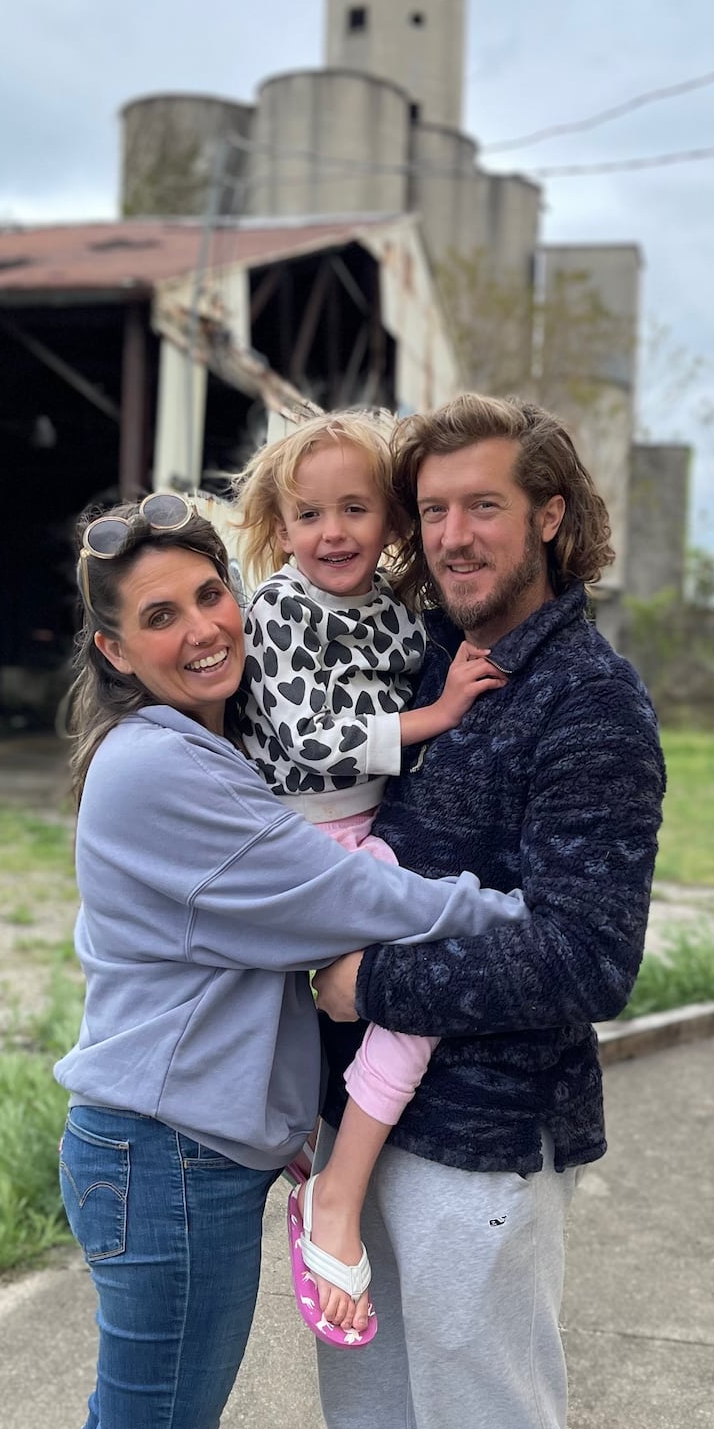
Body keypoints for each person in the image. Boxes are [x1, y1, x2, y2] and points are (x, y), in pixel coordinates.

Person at [33, 490, 529, 1429]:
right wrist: (511, 912)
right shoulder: (164, 767)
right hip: (172, 1166)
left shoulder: (193, 743)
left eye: (210, 594)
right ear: (113, 651)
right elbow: (349, 894)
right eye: (160, 616)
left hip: (148, 1153)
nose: (202, 628)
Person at [244, 397, 666, 1429]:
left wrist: (368, 989)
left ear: (552, 513)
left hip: (484, 1143)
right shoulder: (432, 651)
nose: (450, 533)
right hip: (355, 1133)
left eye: (481, 505)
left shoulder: (588, 701)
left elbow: (586, 956)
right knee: (376, 1425)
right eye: (432, 509)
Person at [232, 410, 505, 1342]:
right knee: (417, 965)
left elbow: (411, 658)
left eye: (356, 509)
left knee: (409, 992)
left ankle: (330, 1172)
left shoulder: (393, 615)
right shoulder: (279, 608)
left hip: (368, 828)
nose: (333, 532)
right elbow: (313, 738)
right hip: (301, 841)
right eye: (309, 514)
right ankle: (327, 1179)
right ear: (280, 523)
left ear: (391, 522)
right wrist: (438, 715)